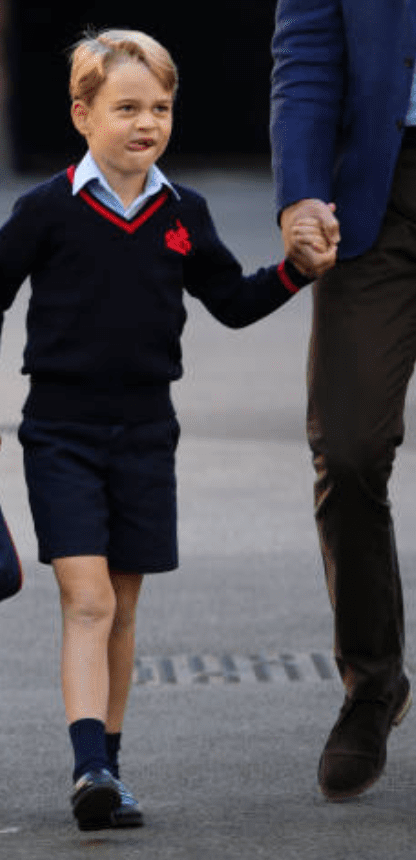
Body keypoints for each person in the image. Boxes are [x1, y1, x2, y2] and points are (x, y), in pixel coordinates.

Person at [0, 29, 321, 831]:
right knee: (85, 599)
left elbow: (230, 299)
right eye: (126, 108)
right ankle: (87, 766)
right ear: (83, 115)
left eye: (160, 108)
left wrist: (296, 270)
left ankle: (108, 771)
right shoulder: (46, 208)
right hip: (62, 432)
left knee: (120, 606)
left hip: (150, 433)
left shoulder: (184, 212)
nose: (146, 123)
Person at [271, 0, 416, 801]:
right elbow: (307, 57)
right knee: (350, 446)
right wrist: (299, 192)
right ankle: (373, 683)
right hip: (376, 197)